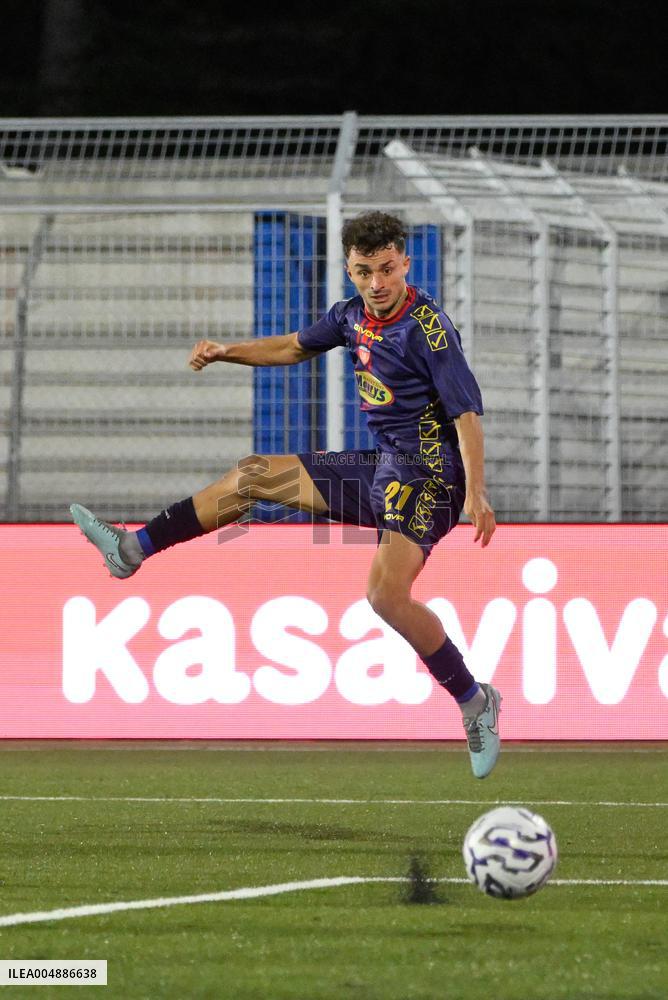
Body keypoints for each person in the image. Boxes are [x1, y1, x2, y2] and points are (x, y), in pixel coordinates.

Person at [71, 211, 501, 778]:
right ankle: (131, 551)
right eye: (365, 271)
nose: (377, 283)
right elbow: (294, 348)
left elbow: (466, 412)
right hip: (384, 468)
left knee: (384, 595)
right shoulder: (349, 317)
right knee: (253, 477)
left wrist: (477, 493)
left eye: (388, 269)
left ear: (406, 264)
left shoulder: (429, 328)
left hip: (433, 476)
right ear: (350, 269)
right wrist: (227, 351)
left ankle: (474, 699)